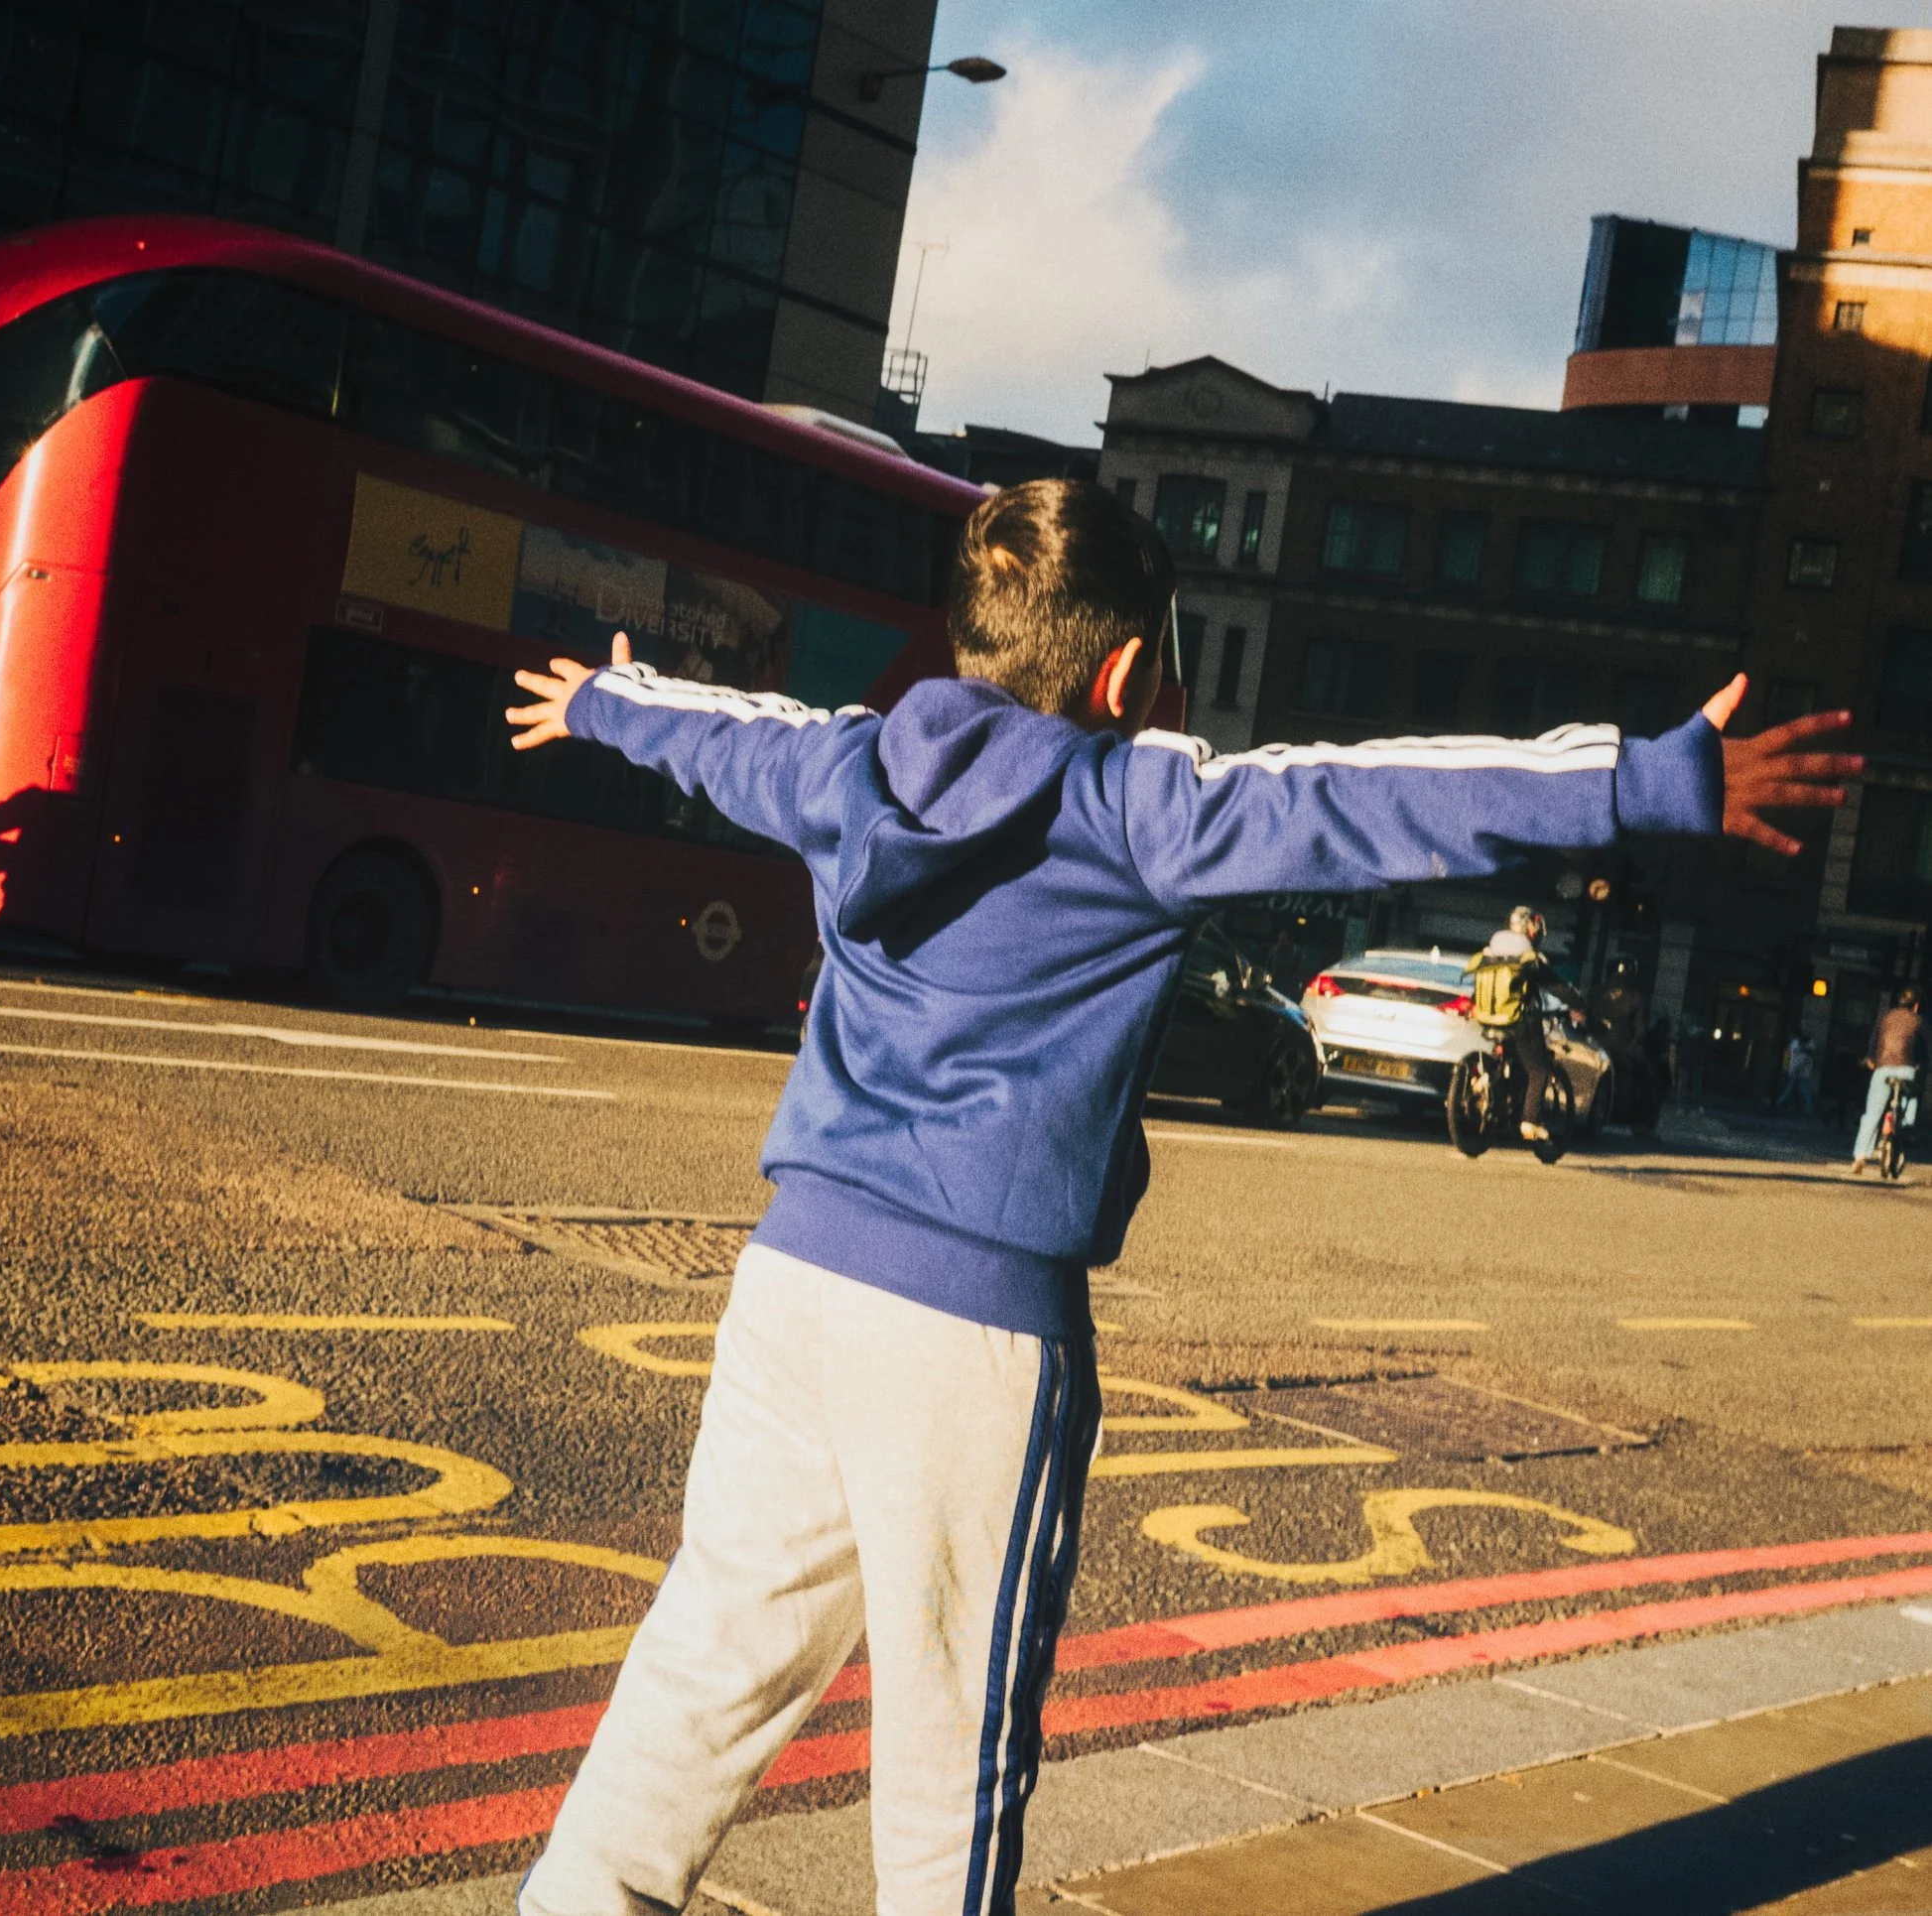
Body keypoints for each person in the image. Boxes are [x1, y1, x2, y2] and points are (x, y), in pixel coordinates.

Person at [502, 477, 1862, 1916]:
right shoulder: (1133, 803)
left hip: (795, 1279)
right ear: (1124, 674)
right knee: (950, 1762)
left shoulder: (851, 766)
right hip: (973, 1325)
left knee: (708, 1657)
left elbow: (730, 734)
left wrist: (605, 699)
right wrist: (1647, 777)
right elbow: (1368, 795)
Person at [1465, 905, 1561, 1142]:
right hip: (1518, 1020)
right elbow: (1556, 985)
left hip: (1488, 1016)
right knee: (1538, 1070)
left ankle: (1488, 1085)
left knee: (1512, 1059)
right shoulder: (1529, 958)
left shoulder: (1491, 951)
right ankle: (1530, 1121)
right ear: (1531, 929)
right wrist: (1579, 1005)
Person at [1851, 985, 1923, 1173]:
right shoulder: (1918, 1021)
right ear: (1916, 1006)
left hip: (1883, 1068)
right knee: (1911, 1100)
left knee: (1872, 1113)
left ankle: (1860, 1155)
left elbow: (1874, 1041)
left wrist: (1871, 1059)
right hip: (1906, 1069)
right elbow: (1924, 1048)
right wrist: (1921, 1064)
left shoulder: (1884, 1017)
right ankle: (1905, 1129)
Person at [1774, 1030, 1819, 1117]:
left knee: (1794, 1088)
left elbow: (1794, 1057)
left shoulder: (1799, 1044)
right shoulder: (1801, 1044)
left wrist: (1788, 1067)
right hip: (1799, 1071)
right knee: (1800, 1089)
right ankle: (1806, 1107)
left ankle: (1781, 1102)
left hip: (1798, 1070)